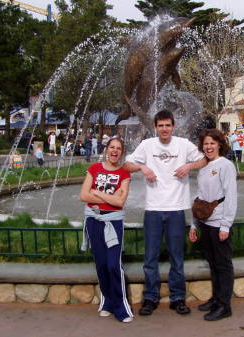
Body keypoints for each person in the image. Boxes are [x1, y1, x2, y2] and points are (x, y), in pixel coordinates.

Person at [124, 109, 205, 316]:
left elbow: (204, 160)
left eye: (168, 125)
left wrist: (188, 166)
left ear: (173, 126)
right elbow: (126, 164)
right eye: (160, 125)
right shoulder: (147, 145)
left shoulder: (183, 144)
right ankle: (150, 297)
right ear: (155, 127)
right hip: (153, 209)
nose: (164, 129)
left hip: (176, 209)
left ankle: (178, 298)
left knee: (176, 257)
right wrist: (143, 168)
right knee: (150, 258)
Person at [79, 137, 133, 323]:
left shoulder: (124, 174)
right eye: (112, 147)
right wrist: (109, 197)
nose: (115, 151)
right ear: (106, 149)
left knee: (113, 265)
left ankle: (121, 307)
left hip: (113, 223)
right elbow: (83, 195)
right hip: (94, 221)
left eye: (119, 148)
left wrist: (97, 193)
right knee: (101, 264)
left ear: (122, 152)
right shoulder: (94, 169)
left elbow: (120, 202)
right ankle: (107, 302)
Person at [189, 129, 237, 321]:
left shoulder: (225, 165)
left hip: (219, 224)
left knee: (223, 265)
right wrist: (194, 224)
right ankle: (216, 299)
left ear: (219, 145)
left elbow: (231, 196)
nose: (208, 147)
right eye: (206, 144)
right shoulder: (204, 167)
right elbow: (199, 197)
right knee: (213, 264)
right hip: (205, 223)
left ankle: (224, 306)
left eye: (212, 143)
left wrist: (226, 225)